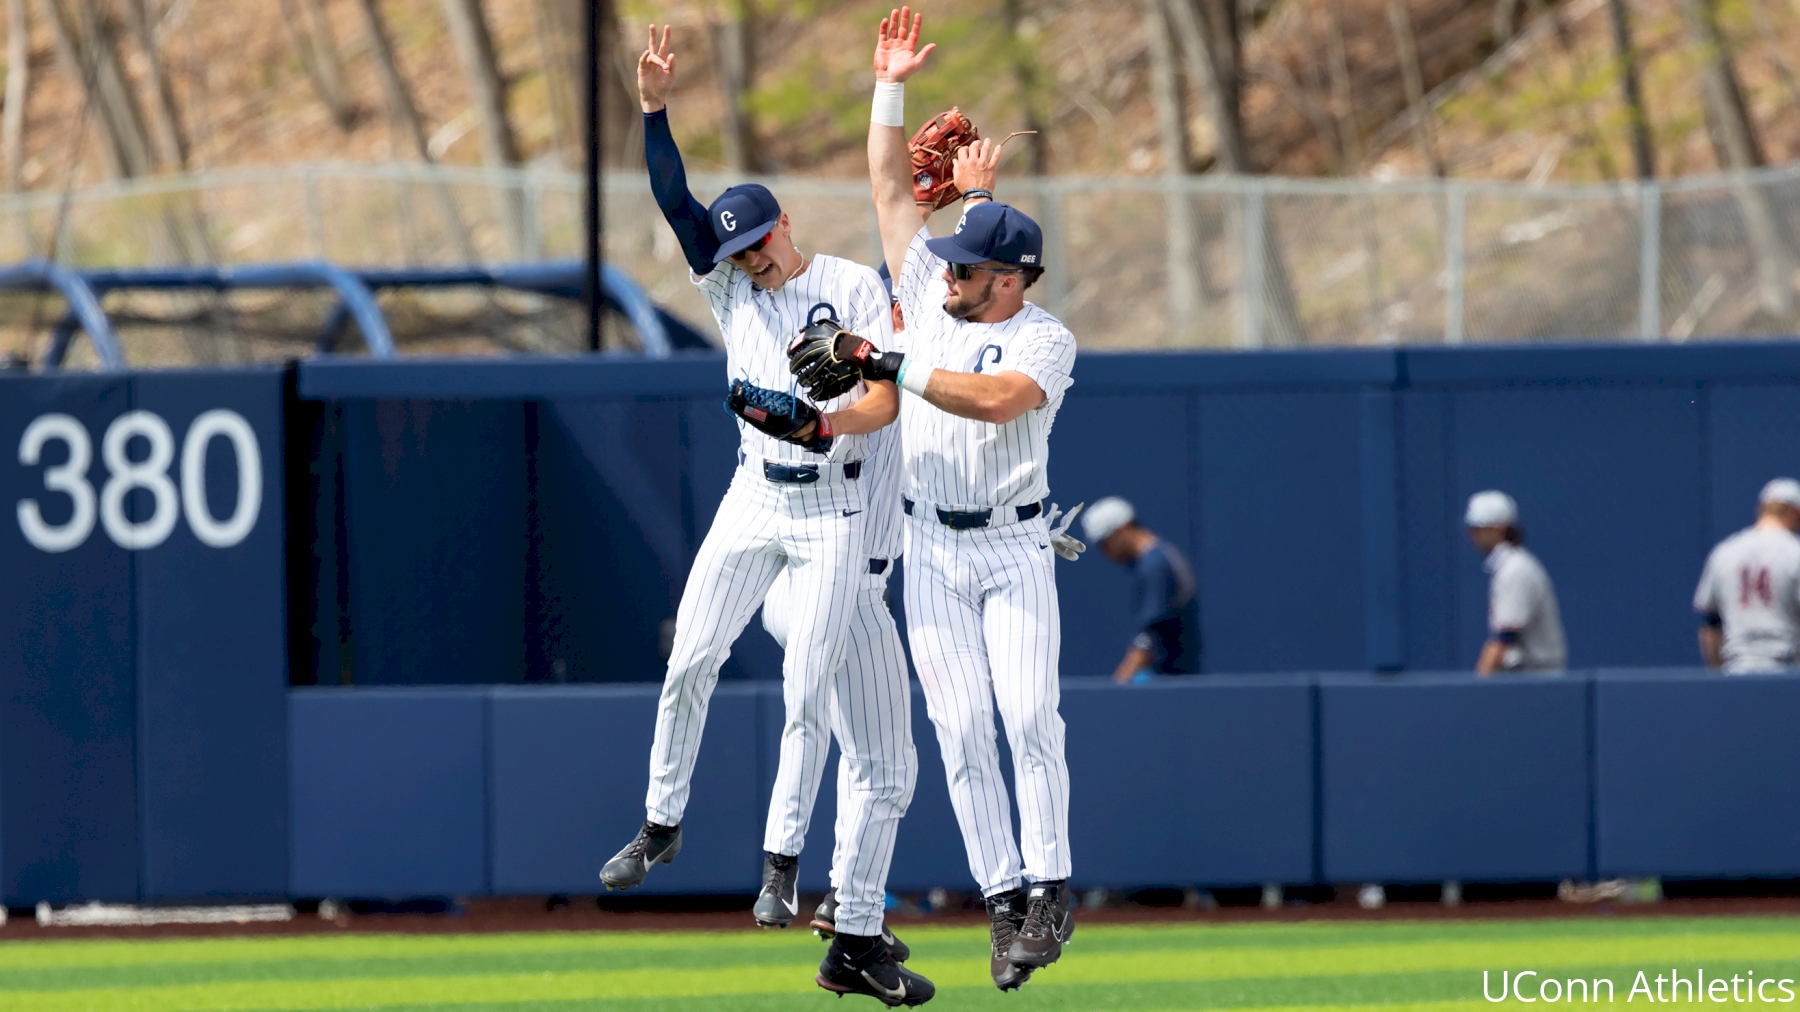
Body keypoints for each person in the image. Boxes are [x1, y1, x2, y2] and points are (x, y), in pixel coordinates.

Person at [601, 26, 932, 1005]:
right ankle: (662, 824)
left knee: (847, 728)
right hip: (756, 501)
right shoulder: (731, 291)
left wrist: (823, 417)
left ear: (786, 224)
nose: (747, 260)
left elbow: (885, 399)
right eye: (735, 250)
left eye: (757, 242)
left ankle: (798, 882)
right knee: (692, 655)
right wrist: (656, 110)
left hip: (835, 517)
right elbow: (674, 201)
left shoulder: (851, 288)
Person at [804, 7, 1082, 991]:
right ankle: (1005, 902)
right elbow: (888, 187)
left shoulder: (1044, 338)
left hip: (1013, 550)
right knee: (961, 730)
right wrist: (888, 87)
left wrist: (890, 359)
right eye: (951, 257)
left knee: (1030, 716)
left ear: (1012, 281)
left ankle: (1053, 885)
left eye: (969, 265)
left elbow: (992, 397)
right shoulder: (929, 292)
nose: (947, 269)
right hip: (933, 549)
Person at [1081, 497, 1201, 682]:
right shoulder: (1159, 558)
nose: (1105, 553)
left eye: (1106, 543)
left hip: (1171, 686)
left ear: (1123, 529)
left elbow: (1147, 640)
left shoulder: (1155, 566)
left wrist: (1117, 688)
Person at [1693, 478, 1800, 673]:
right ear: (1794, 512)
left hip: (1736, 669)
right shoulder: (1796, 552)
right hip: (1787, 672)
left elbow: (1710, 628)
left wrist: (1719, 676)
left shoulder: (1723, 552)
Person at [1464, 490, 1566, 674]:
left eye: (1478, 528)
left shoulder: (1515, 569)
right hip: (1525, 678)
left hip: (1537, 680)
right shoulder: (1509, 565)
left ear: (1499, 528)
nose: (1472, 535)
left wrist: (1475, 688)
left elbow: (1504, 638)